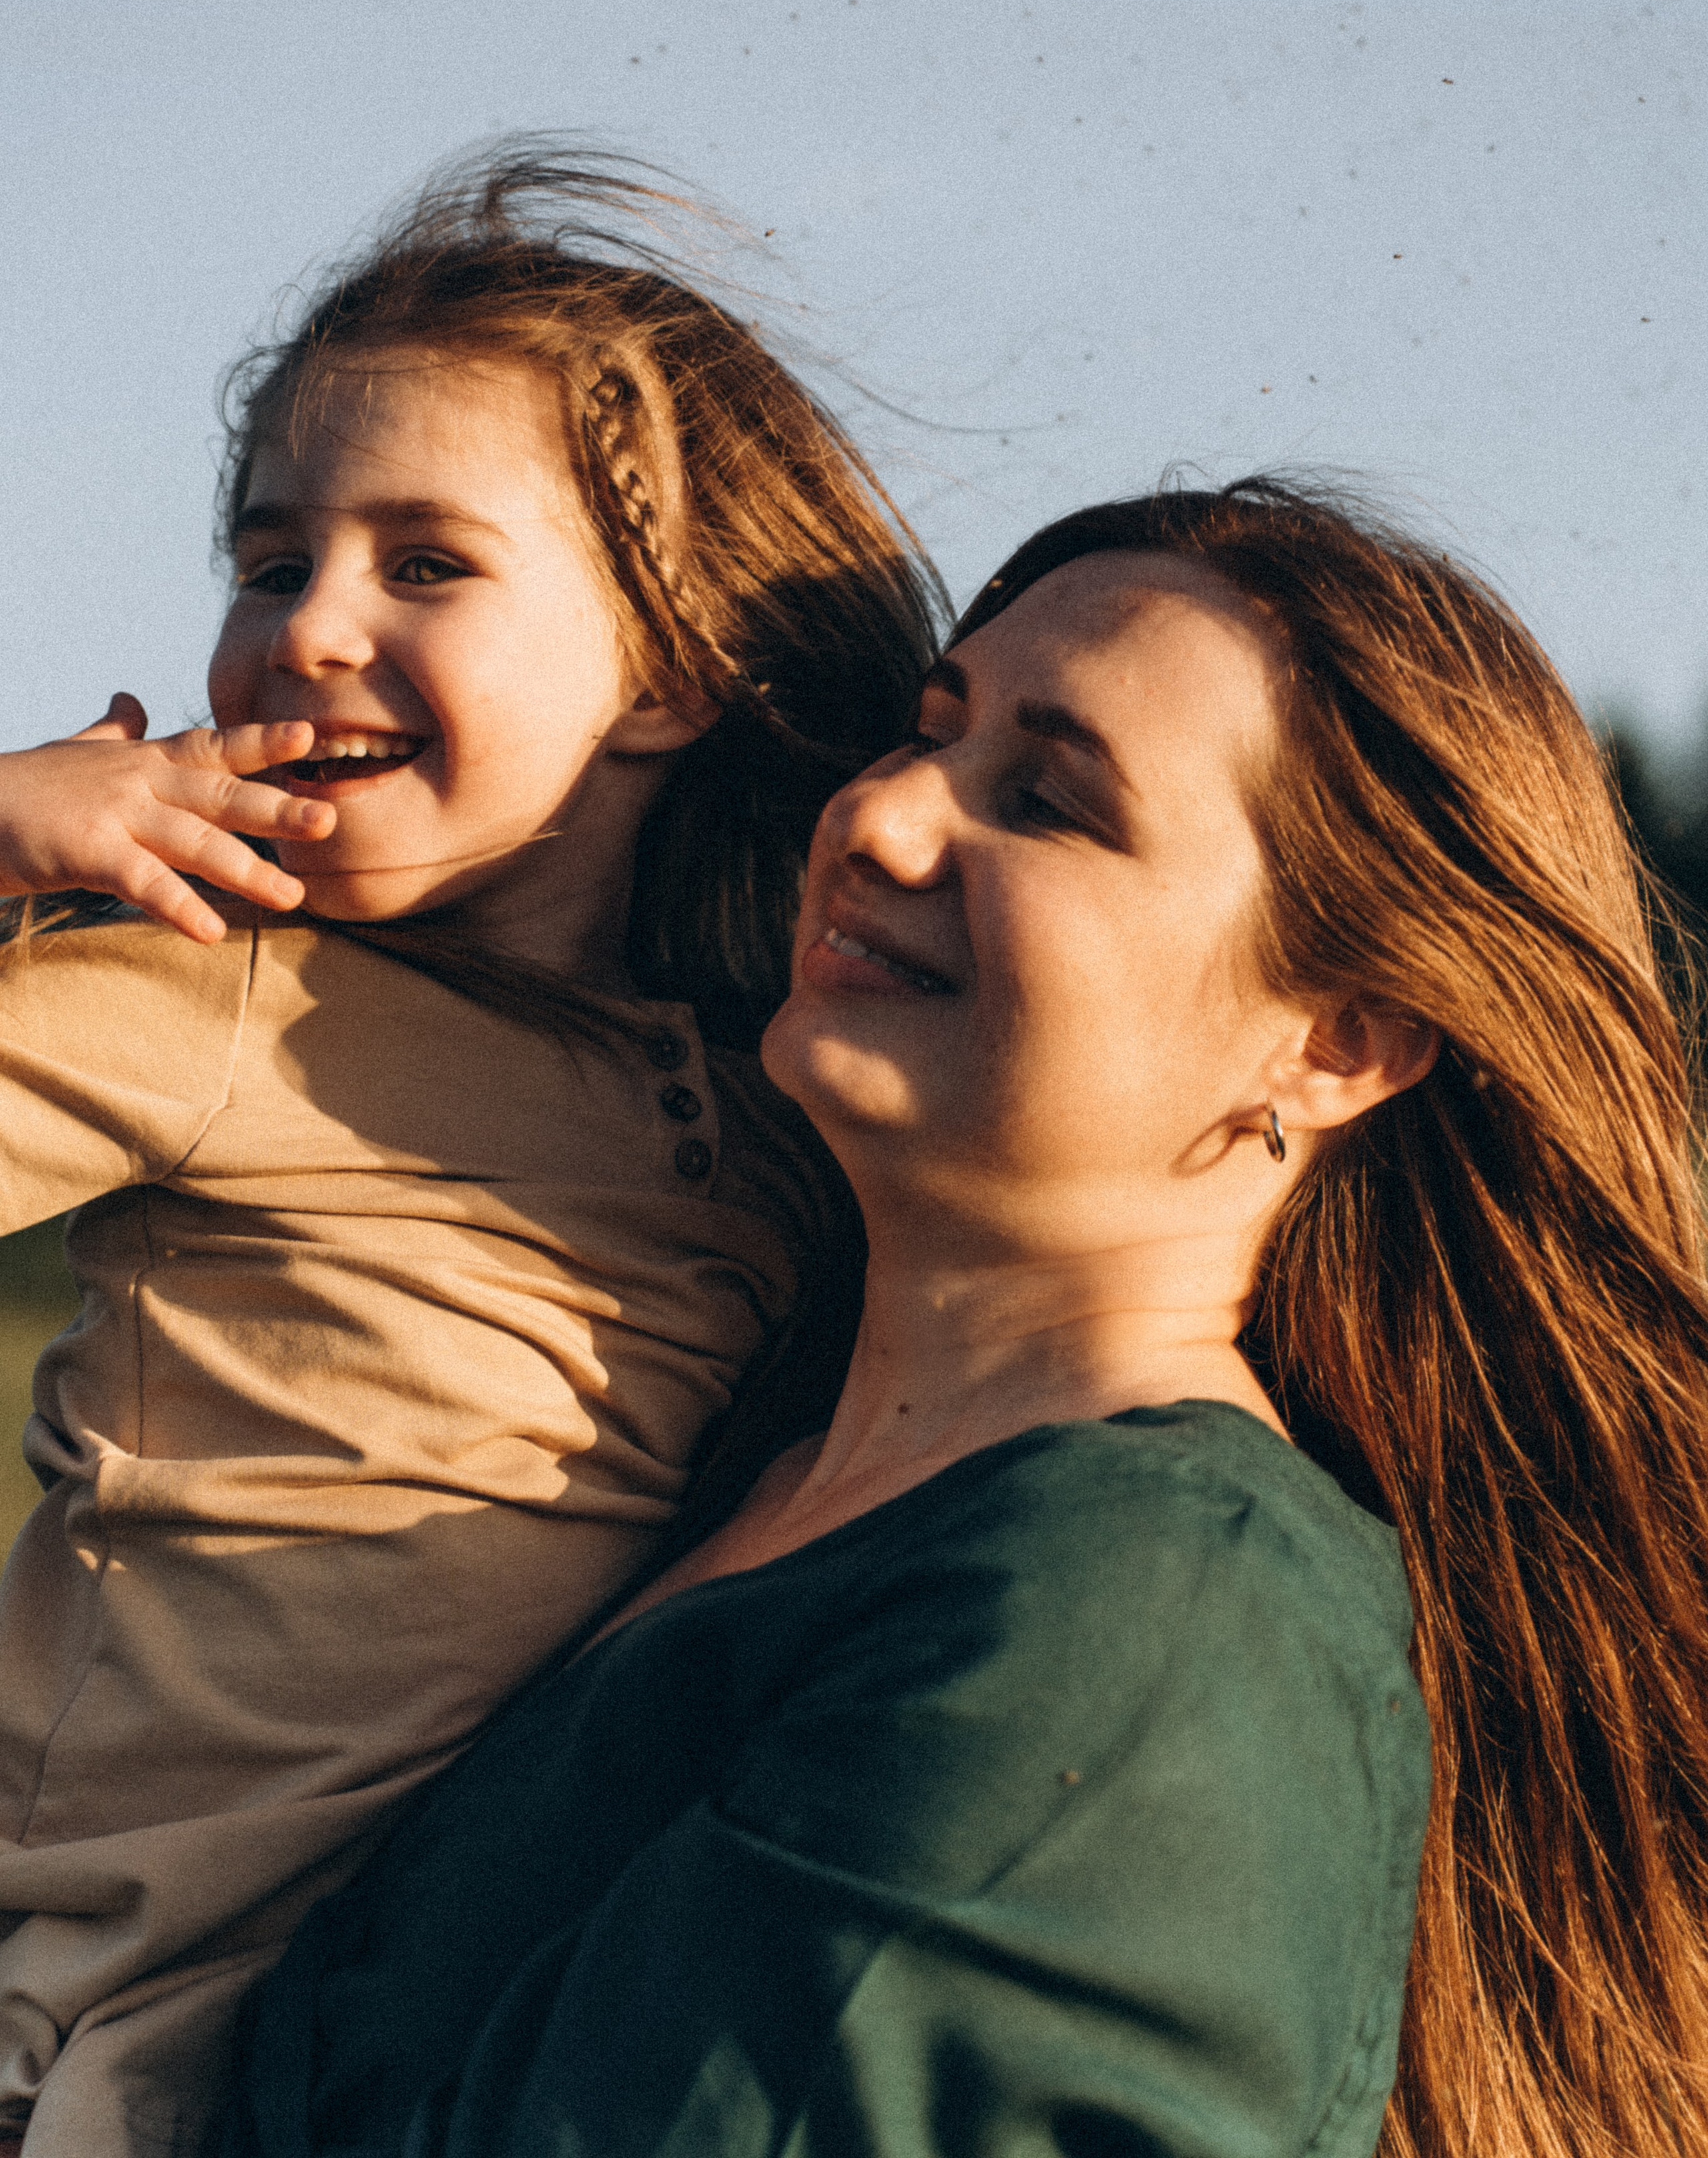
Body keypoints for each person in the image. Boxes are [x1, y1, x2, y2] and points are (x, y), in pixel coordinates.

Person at [220, 478, 1708, 2158]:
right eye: (927, 733)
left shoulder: (1148, 1594)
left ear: (1337, 1039)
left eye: (1050, 802)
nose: (881, 822)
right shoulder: (705, 1473)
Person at [0, 148, 939, 2156]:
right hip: (85, 2046)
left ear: (676, 672)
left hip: (460, 2047)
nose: (311, 627)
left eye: (425, 564)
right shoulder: (217, 998)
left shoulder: (780, 1104)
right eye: (272, 563)